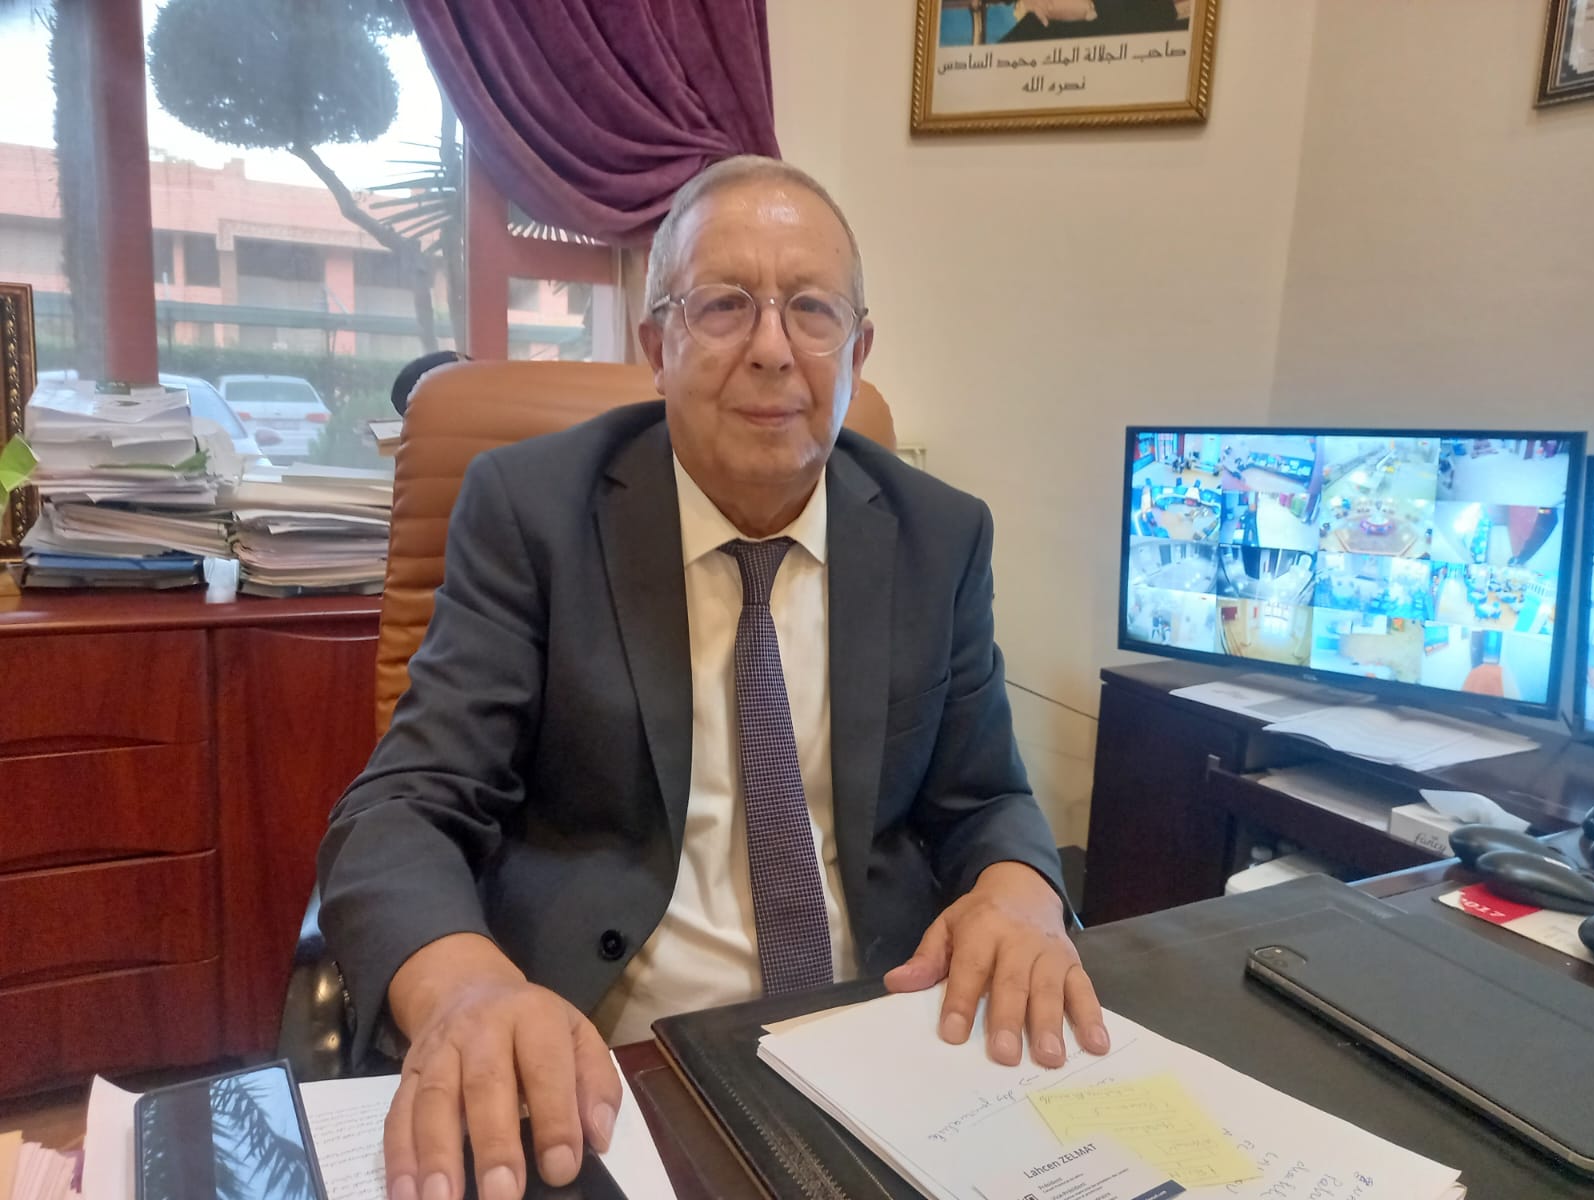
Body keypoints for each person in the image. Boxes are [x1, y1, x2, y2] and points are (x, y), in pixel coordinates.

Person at [316, 155, 1107, 1199]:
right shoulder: (533, 511)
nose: (773, 349)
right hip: (611, 1063)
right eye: (725, 304)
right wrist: (464, 992)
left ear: (857, 349)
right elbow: (405, 807)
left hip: (882, 1047)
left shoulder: (938, 535)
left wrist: (1020, 895)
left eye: (811, 310)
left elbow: (987, 798)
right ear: (658, 345)